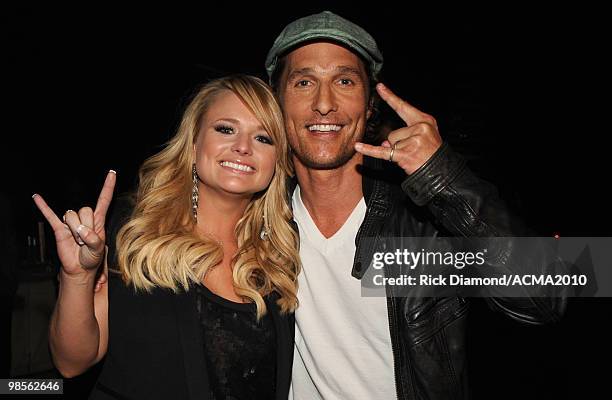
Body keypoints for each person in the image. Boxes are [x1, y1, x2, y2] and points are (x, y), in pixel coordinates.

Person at [264, 11, 566, 400]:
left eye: (344, 81)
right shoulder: (265, 222)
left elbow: (547, 297)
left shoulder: (416, 229)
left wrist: (443, 176)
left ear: (369, 104)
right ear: (276, 103)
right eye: (304, 82)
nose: (324, 103)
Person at [32, 74, 300, 400]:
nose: (243, 147)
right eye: (225, 129)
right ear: (193, 143)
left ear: (276, 159)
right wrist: (77, 277)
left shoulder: (281, 249)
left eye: (263, 138)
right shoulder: (137, 231)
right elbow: (71, 363)